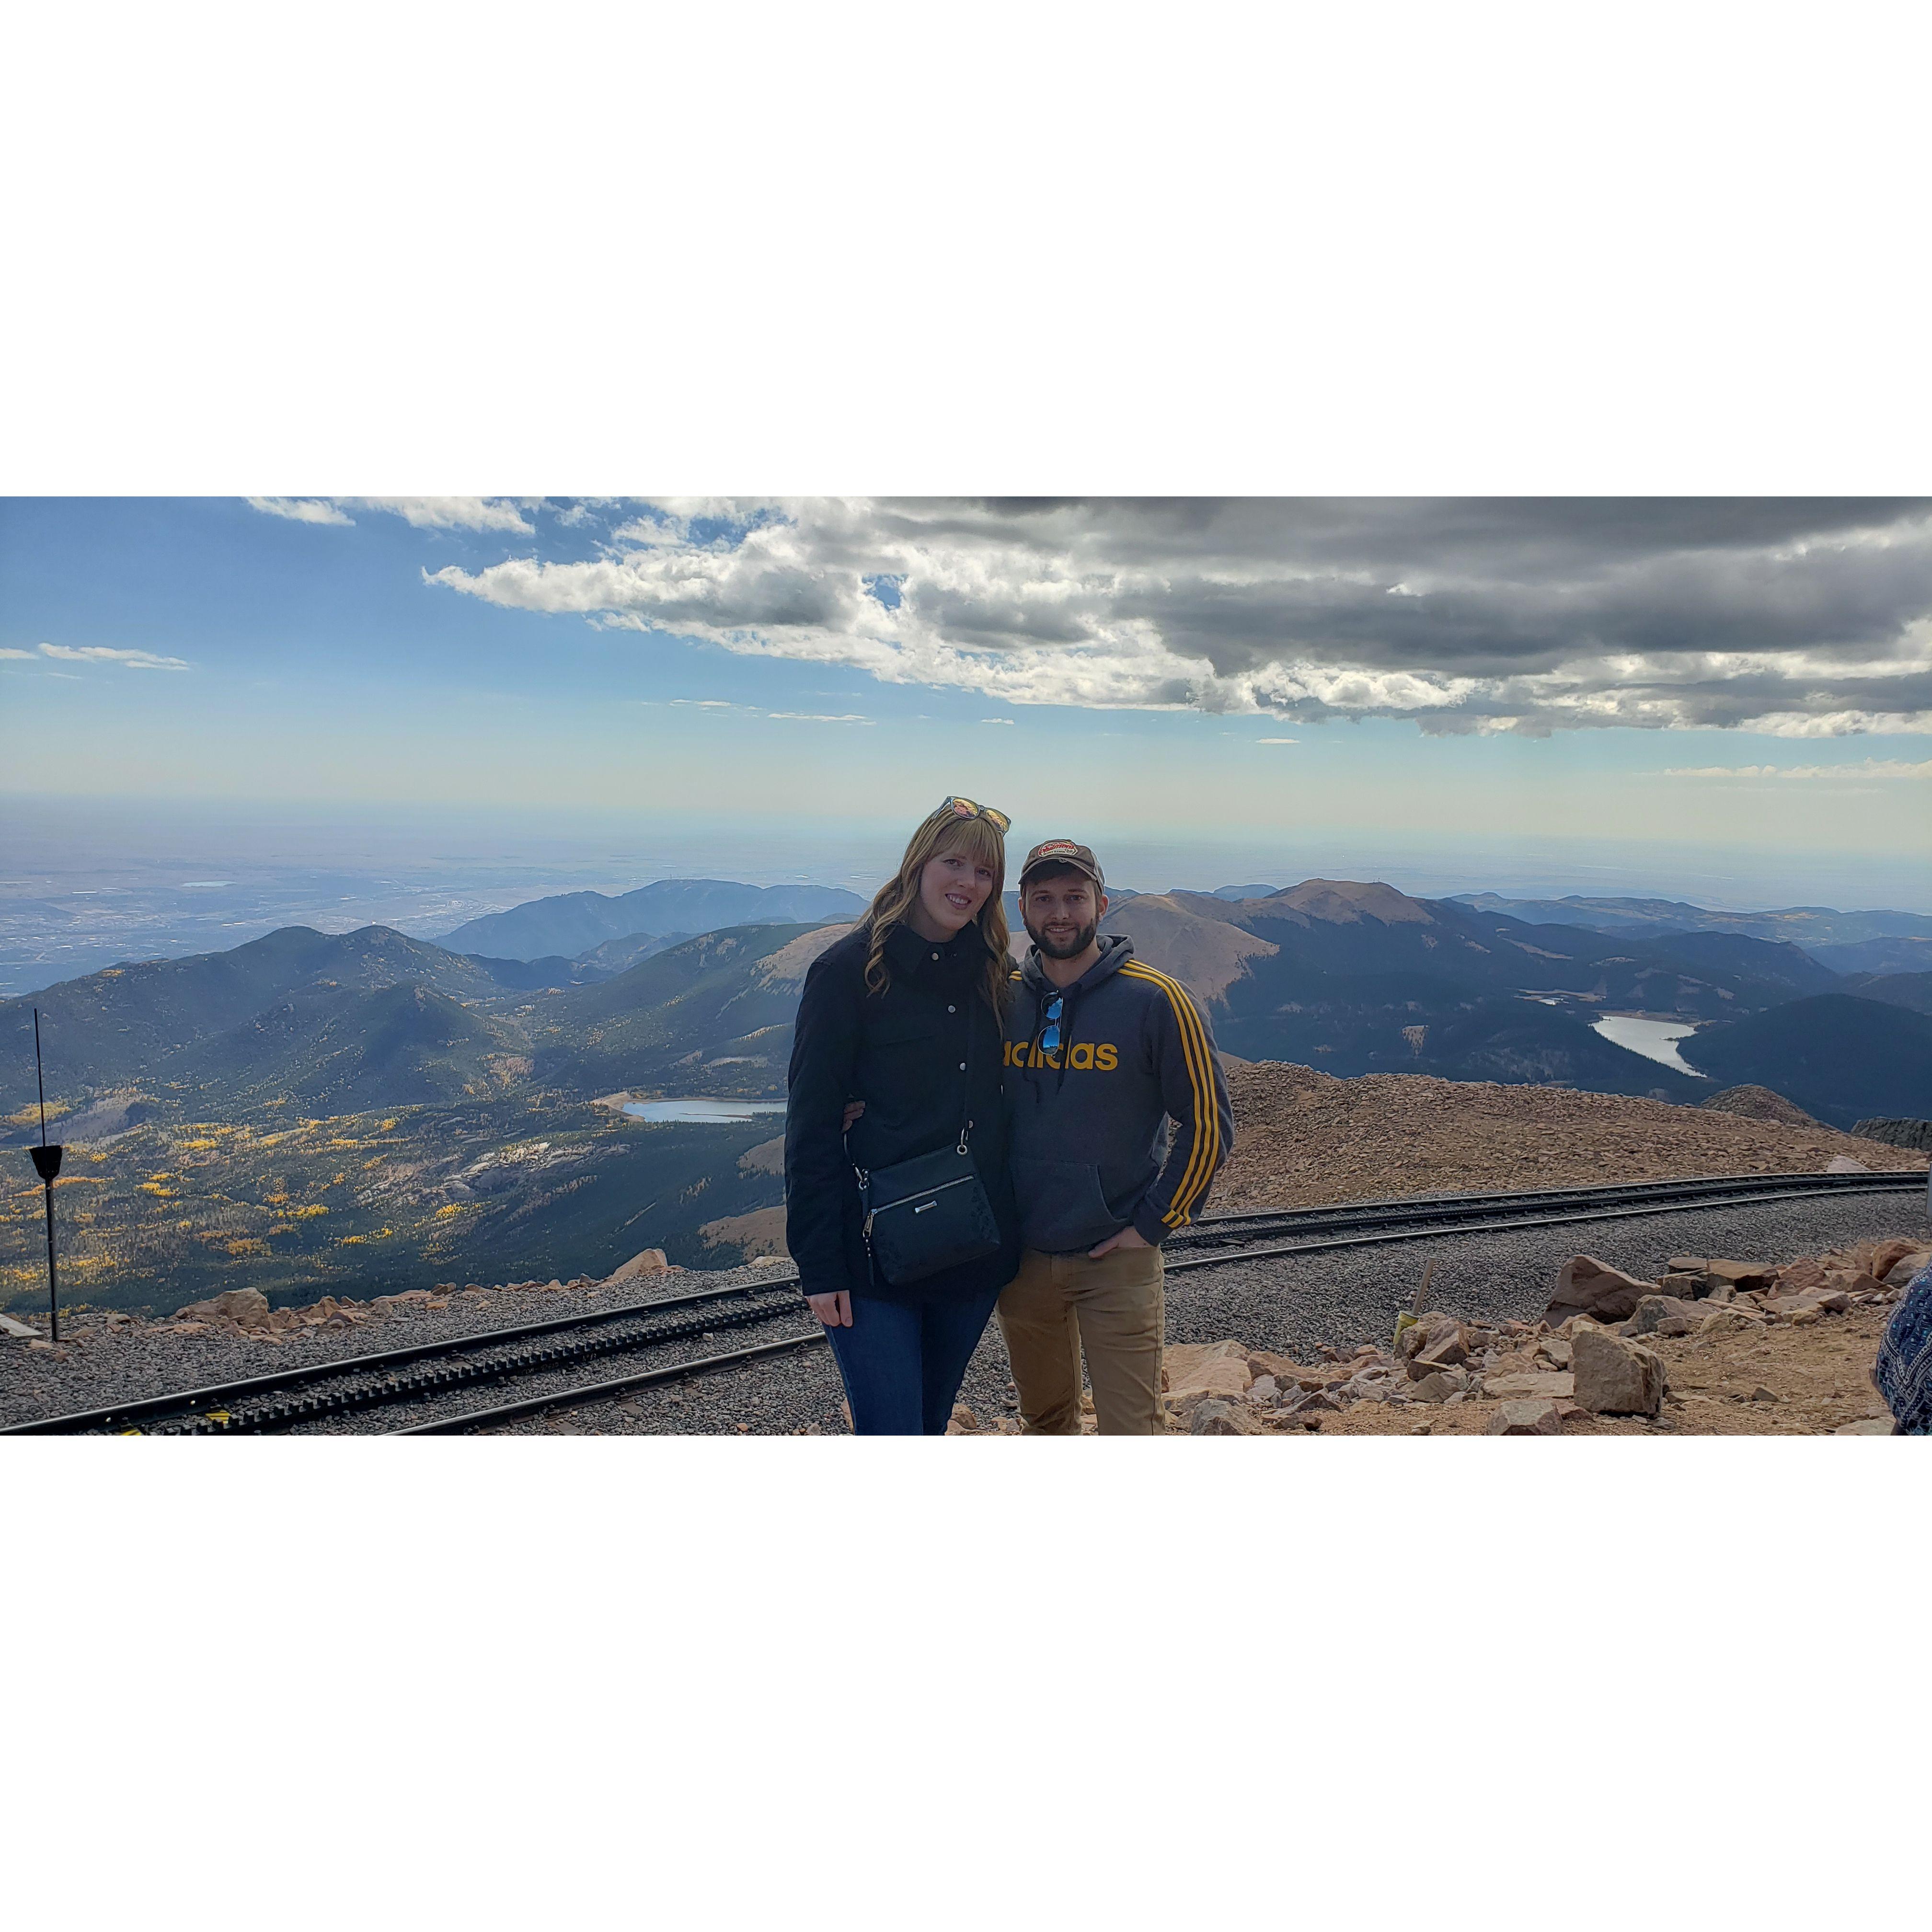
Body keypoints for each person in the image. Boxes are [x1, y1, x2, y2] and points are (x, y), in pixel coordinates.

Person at [784, 797, 1021, 1435]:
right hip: (871, 1260)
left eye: (985, 872)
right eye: (954, 863)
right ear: (918, 864)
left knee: (930, 1426)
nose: (968, 884)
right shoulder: (847, 973)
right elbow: (808, 1129)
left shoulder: (996, 976)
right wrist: (820, 1266)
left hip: (971, 1252)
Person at [997, 838, 1234, 1436]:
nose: (1060, 913)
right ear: (1022, 908)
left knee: (1133, 1429)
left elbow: (1209, 1125)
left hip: (1116, 1258)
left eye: (1074, 898)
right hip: (1020, 1258)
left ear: (1102, 906)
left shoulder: (1156, 1000)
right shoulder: (1001, 998)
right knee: (1046, 1421)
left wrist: (1152, 1224)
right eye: (1044, 898)